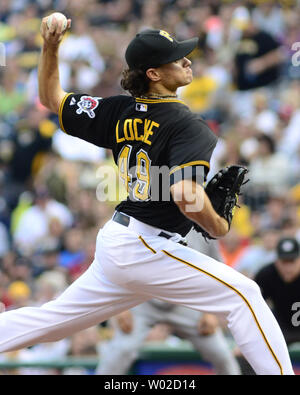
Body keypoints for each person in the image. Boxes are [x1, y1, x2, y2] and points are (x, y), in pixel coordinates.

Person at [0, 16, 294, 375]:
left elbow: (50, 98)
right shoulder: (187, 125)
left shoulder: (117, 110)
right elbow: (185, 194)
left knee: (49, 322)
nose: (187, 61)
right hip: (145, 246)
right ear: (153, 73)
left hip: (120, 242)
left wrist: (49, 46)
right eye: (177, 58)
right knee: (244, 296)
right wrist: (217, 225)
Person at [97, 230, 241, 375]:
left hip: (186, 301)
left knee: (221, 354)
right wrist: (120, 307)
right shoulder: (143, 214)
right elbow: (117, 263)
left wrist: (211, 312)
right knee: (120, 351)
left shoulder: (200, 223)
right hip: (143, 300)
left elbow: (217, 271)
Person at [255, 237, 300, 345]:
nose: (288, 267)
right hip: (279, 330)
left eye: (292, 261)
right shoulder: (266, 275)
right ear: (276, 261)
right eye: (284, 261)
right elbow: (252, 305)